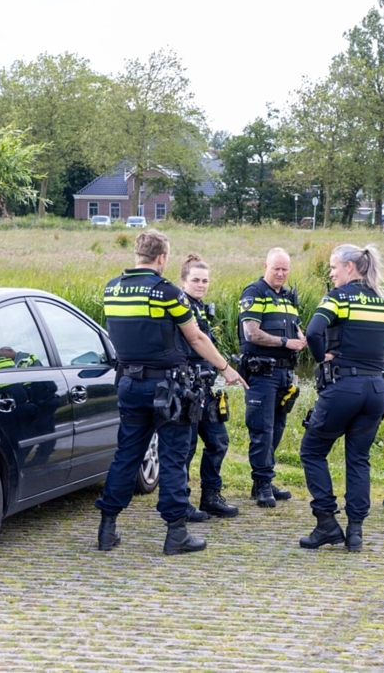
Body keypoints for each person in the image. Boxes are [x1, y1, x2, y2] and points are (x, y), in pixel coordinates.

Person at [96, 230, 246, 556]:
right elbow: (196, 338)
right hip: (167, 388)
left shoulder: (112, 289)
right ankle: (176, 533)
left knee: (126, 455)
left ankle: (107, 527)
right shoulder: (167, 293)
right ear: (162, 258)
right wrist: (225, 368)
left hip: (128, 384)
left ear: (138, 253)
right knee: (174, 458)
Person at [299, 244, 384, 552]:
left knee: (312, 451)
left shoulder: (337, 298)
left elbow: (314, 332)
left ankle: (326, 522)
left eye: (333, 267)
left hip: (344, 387)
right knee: (358, 459)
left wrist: (321, 359)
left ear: (350, 268)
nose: (331, 273)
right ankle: (355, 532)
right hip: (377, 391)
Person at [238, 248, 307, 507]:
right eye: (276, 268)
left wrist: (301, 338)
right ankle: (262, 482)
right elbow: (251, 334)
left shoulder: (288, 297)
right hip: (261, 373)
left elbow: (295, 326)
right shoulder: (254, 293)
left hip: (284, 373)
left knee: (277, 429)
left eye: (285, 269)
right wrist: (285, 342)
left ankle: (263, 481)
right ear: (265, 265)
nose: (280, 273)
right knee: (262, 430)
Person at [178, 254, 239, 520]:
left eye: (205, 280)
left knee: (218, 441)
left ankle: (211, 496)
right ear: (183, 282)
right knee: (186, 447)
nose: (201, 284)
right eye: (195, 280)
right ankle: (181, 501)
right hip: (186, 388)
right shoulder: (180, 307)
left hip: (205, 387)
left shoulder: (200, 307)